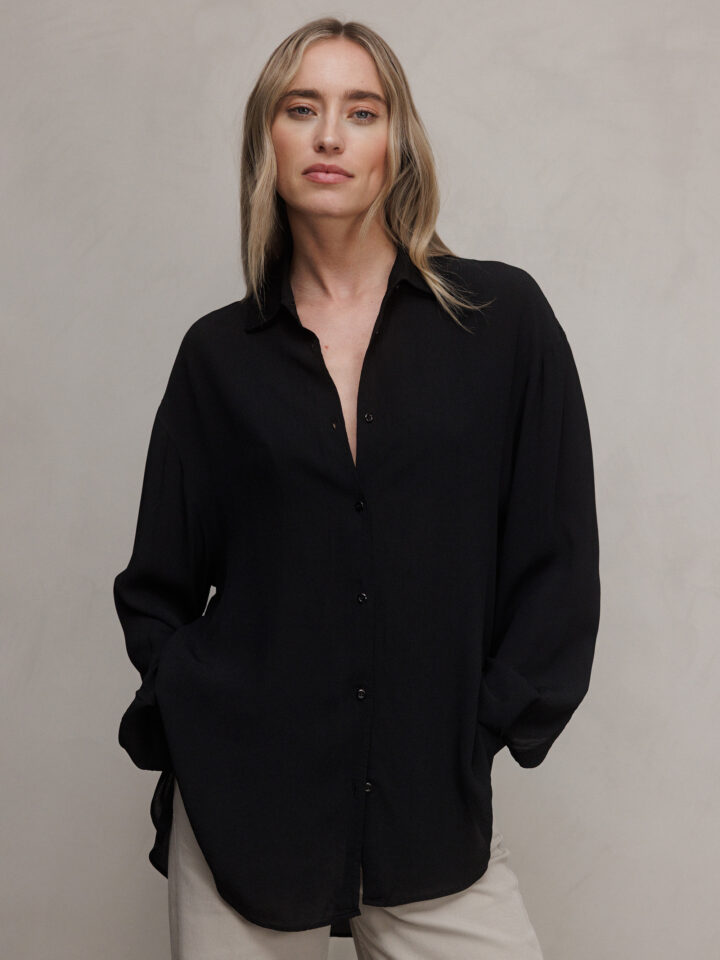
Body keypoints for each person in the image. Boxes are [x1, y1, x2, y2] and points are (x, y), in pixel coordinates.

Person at [114, 16, 601, 960]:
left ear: (397, 145)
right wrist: (197, 712)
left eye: (361, 111)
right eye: (302, 108)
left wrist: (478, 728)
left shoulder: (502, 322)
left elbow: (557, 557)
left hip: (430, 813)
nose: (330, 135)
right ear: (268, 139)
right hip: (244, 818)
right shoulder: (217, 358)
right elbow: (157, 585)